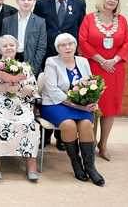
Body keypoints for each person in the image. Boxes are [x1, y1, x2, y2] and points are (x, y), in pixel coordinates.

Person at [38, 33, 105, 186]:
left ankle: (90, 167)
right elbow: (52, 90)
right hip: (55, 104)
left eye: (70, 43)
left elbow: (91, 85)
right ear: (57, 48)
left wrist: (93, 100)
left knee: (86, 125)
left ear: (75, 45)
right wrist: (78, 105)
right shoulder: (51, 62)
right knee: (68, 125)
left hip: (81, 105)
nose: (67, 47)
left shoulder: (83, 61)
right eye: (62, 45)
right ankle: (76, 163)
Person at [34, 0, 86, 151]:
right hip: (48, 55)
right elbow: (38, 28)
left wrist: (77, 54)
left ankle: (63, 136)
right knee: (49, 90)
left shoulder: (79, 3)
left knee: (68, 87)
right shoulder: (41, 3)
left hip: (68, 55)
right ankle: (45, 135)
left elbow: (80, 29)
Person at [78, 0, 128, 161]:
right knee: (93, 105)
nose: (112, 0)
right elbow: (83, 41)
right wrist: (102, 61)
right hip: (94, 67)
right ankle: (90, 143)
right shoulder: (89, 19)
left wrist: (113, 61)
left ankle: (104, 144)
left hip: (115, 70)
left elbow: (126, 43)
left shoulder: (122, 20)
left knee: (110, 109)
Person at [0, 35, 40, 182]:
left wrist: (18, 86)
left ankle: (31, 163)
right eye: (5, 46)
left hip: (20, 104)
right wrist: (4, 86)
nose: (9, 48)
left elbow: (33, 89)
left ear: (16, 47)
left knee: (30, 124)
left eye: (12, 45)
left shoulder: (25, 67)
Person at [1, 0, 47, 76]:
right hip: (11, 61)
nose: (26, 2)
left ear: (34, 2)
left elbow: (41, 48)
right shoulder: (7, 21)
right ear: (17, 1)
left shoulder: (40, 22)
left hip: (31, 62)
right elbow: (2, 44)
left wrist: (32, 69)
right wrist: (6, 65)